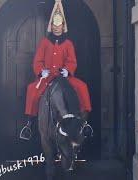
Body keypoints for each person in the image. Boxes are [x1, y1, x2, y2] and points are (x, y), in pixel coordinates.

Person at [20, 0, 92, 140]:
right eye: (54, 25)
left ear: (63, 26)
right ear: (51, 26)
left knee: (82, 87)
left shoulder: (68, 43)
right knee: (31, 90)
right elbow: (37, 60)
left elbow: (72, 61)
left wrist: (68, 70)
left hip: (63, 76)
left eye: (59, 25)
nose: (57, 28)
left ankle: (85, 122)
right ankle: (29, 124)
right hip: (47, 77)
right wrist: (41, 71)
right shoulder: (44, 42)